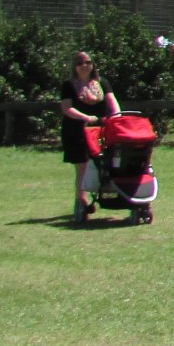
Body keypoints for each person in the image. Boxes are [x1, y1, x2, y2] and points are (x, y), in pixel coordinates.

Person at [60, 51, 119, 222]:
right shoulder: (69, 85)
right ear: (75, 66)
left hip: (99, 129)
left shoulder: (101, 83)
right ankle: (81, 201)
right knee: (82, 166)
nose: (84, 65)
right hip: (76, 130)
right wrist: (85, 118)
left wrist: (116, 115)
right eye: (80, 63)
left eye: (88, 62)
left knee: (105, 162)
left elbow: (112, 101)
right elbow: (66, 108)